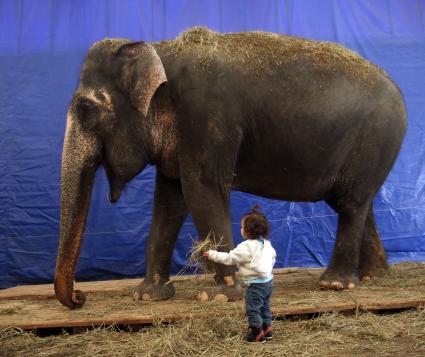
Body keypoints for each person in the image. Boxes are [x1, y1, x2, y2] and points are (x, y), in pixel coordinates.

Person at [203, 205, 276, 342]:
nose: (240, 229)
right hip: (268, 282)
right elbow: (273, 258)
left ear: (247, 232)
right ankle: (267, 330)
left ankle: (257, 334)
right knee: (265, 306)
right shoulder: (266, 244)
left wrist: (212, 254)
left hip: (255, 285)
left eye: (242, 227)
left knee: (252, 309)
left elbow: (230, 258)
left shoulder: (245, 247)